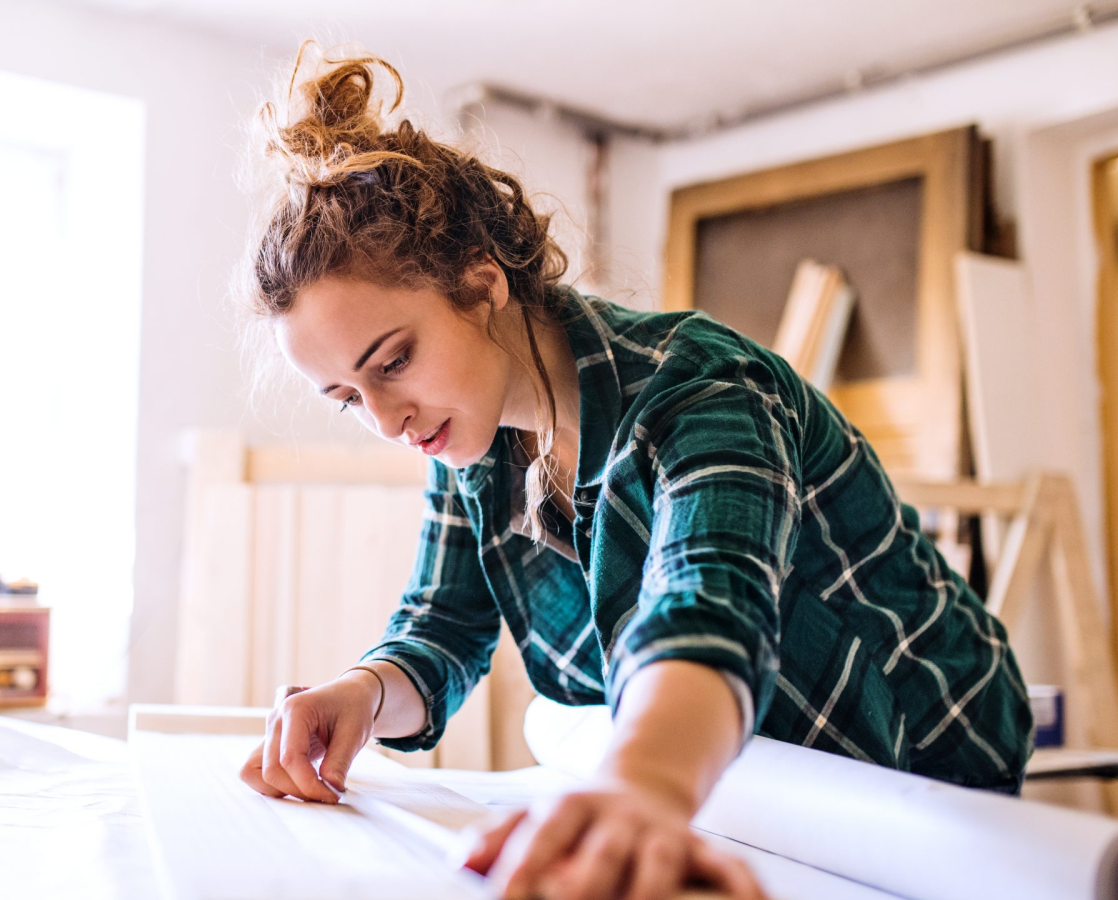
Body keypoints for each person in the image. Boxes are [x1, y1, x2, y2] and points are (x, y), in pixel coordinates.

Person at [235, 44, 1032, 900]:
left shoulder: (701, 390)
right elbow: (441, 629)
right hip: (736, 783)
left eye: (393, 360)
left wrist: (639, 786)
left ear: (481, 284)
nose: (387, 421)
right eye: (348, 398)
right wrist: (362, 691)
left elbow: (708, 603)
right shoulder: (469, 435)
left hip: (926, 764)